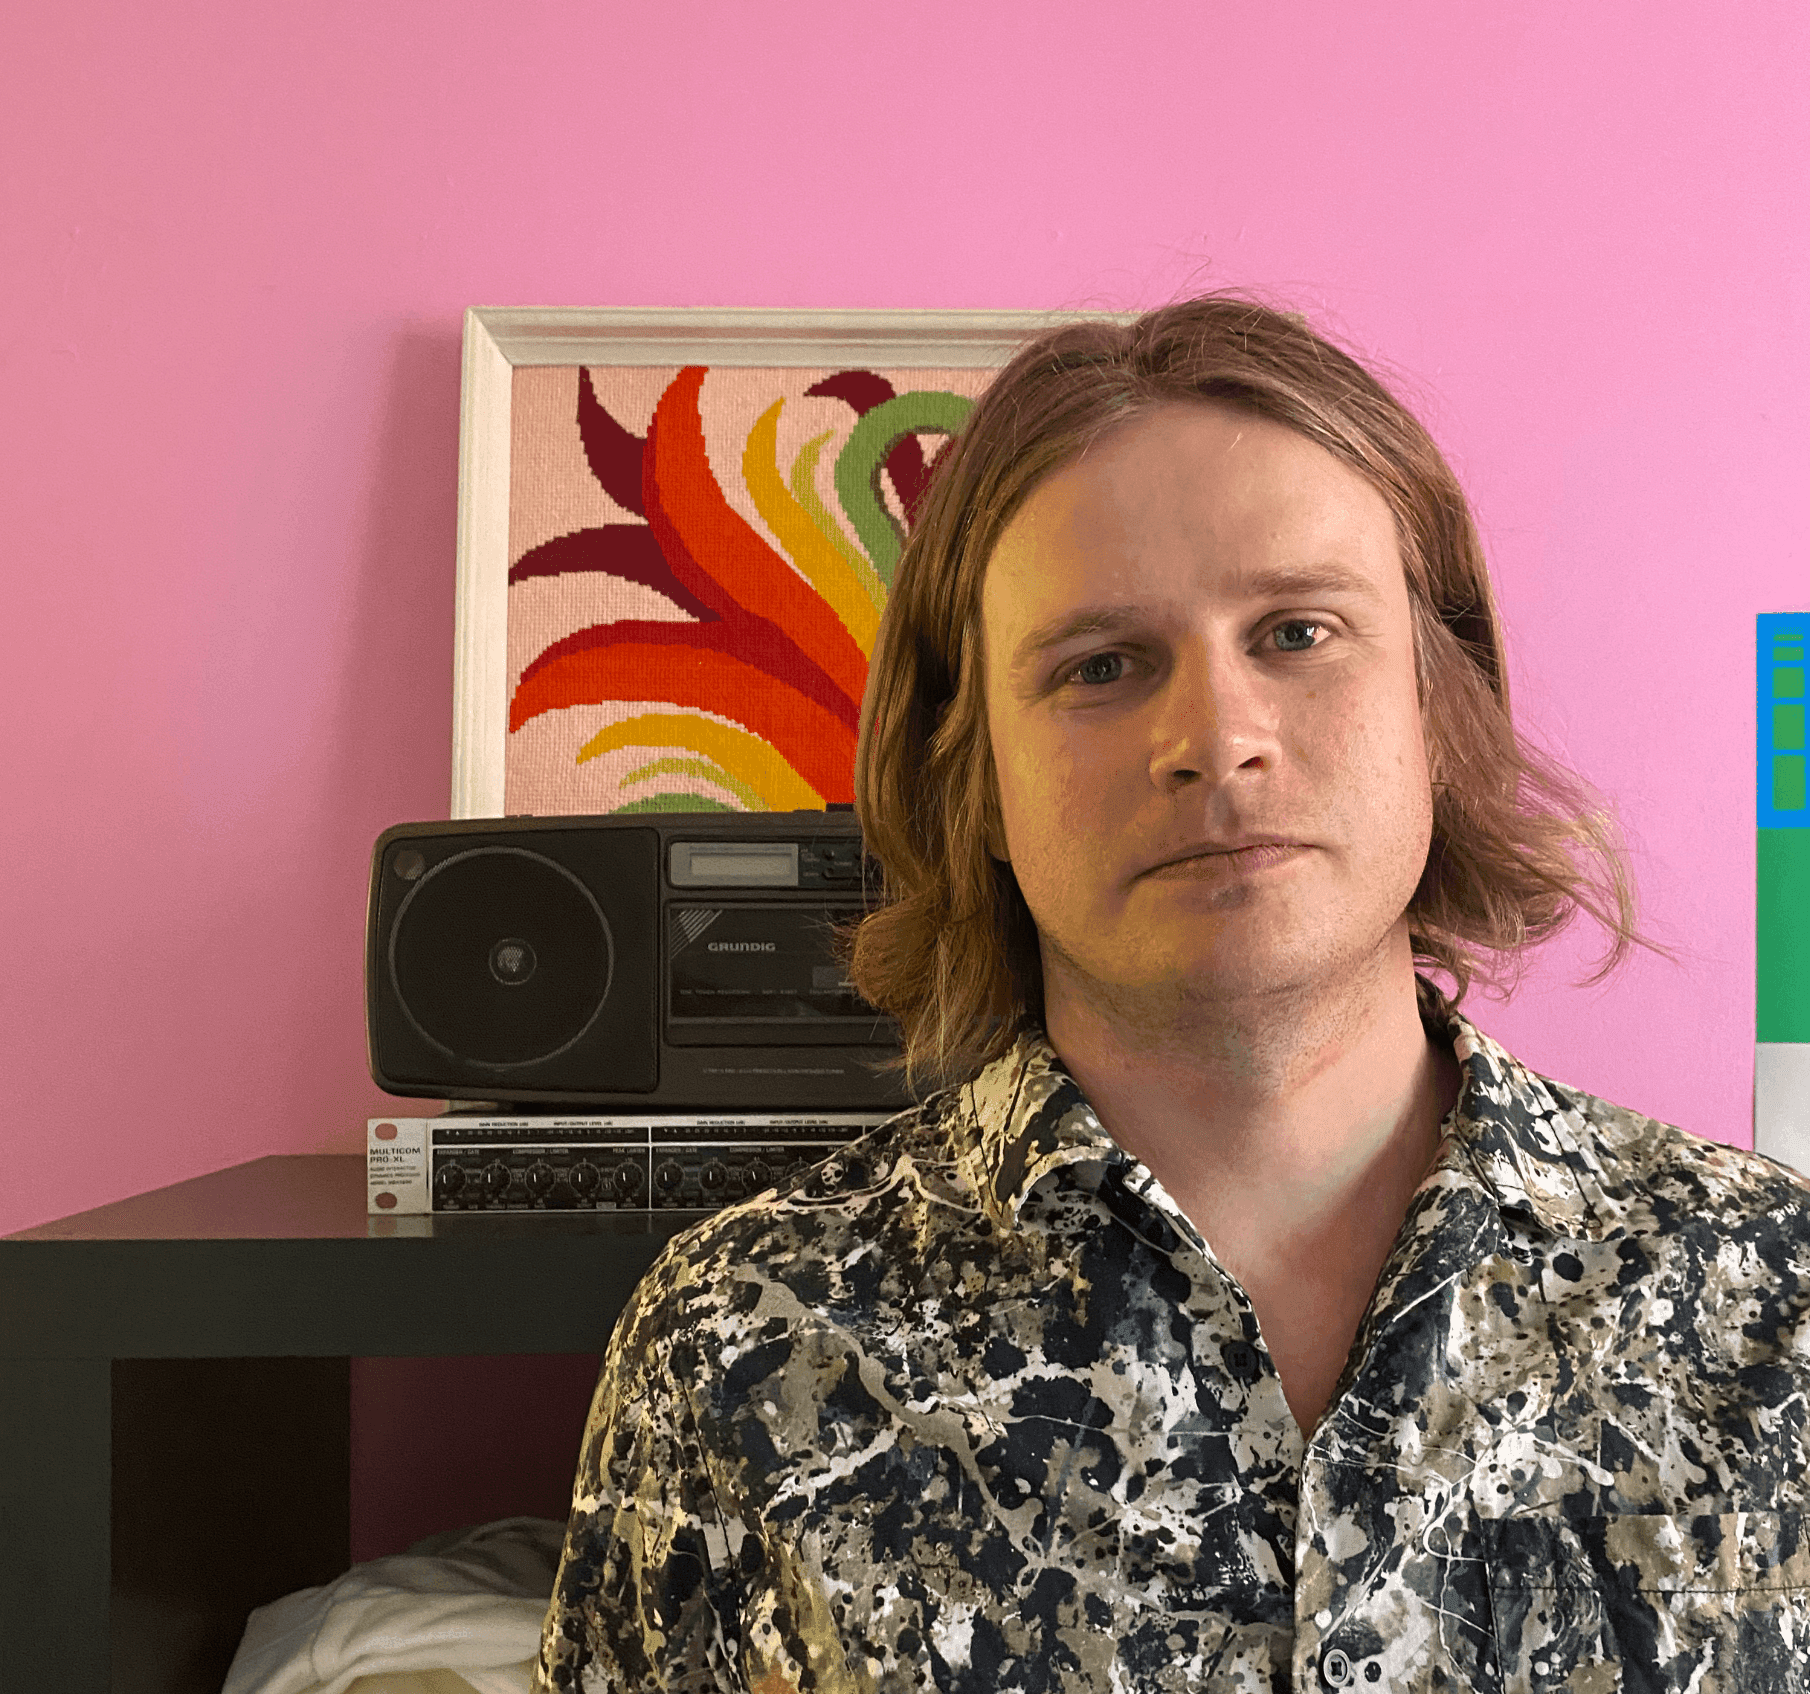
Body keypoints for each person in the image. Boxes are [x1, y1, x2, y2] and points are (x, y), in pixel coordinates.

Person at [534, 296, 1810, 1693]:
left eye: (1297, 632)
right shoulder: (739, 1346)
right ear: (977, 778)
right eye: (1099, 666)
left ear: (1438, 709)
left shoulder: (1770, 1294)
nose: (1215, 737)